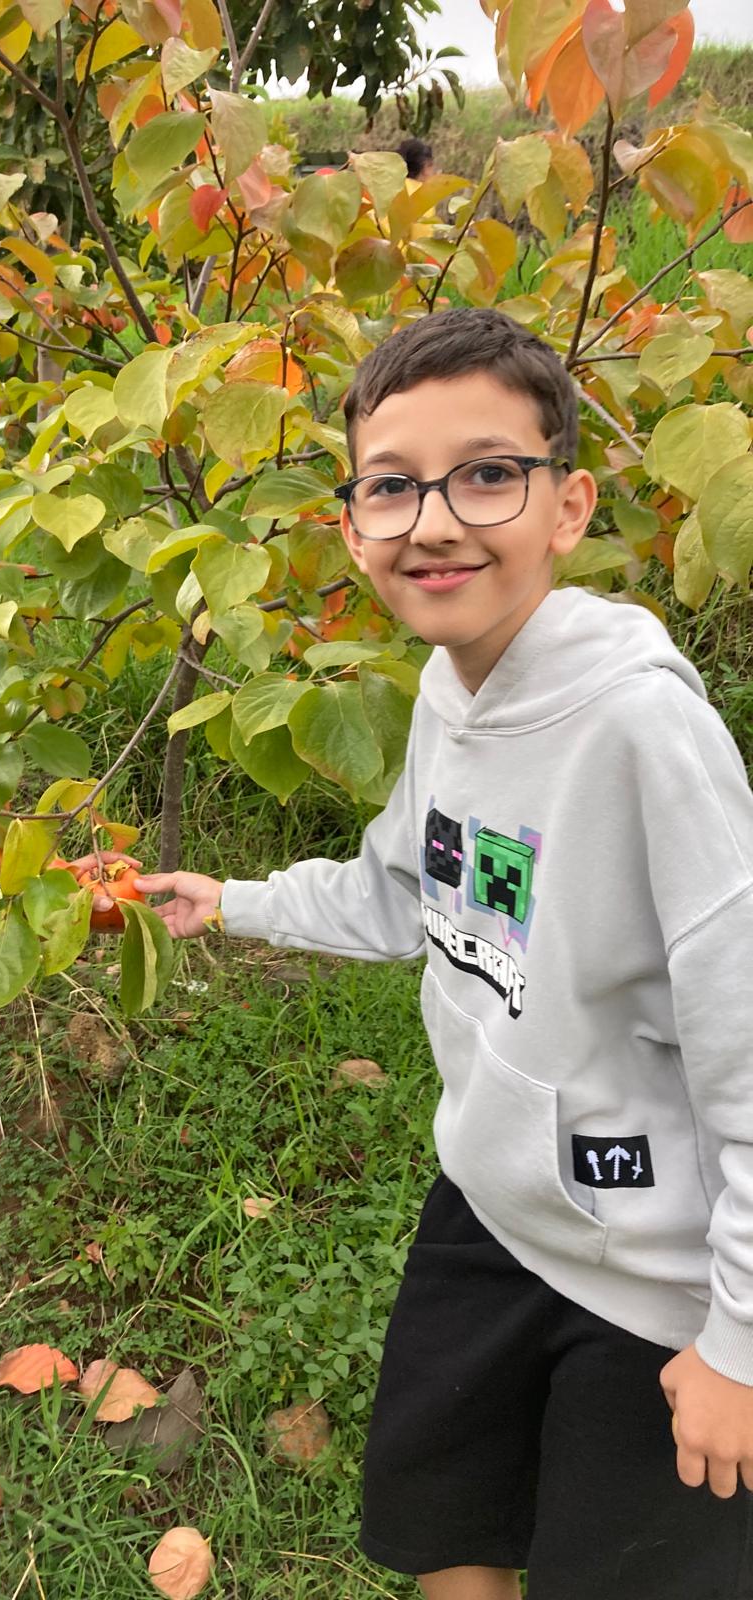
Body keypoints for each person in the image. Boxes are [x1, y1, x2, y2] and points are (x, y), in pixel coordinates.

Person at [129, 307, 753, 1598]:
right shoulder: (448, 690)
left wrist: (739, 1346)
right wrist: (228, 901)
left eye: (486, 475)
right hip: (491, 1208)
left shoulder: (643, 731)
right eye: (392, 485)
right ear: (354, 522)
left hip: (657, 1285)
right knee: (444, 1531)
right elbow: (402, 889)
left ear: (567, 505)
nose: (434, 521)